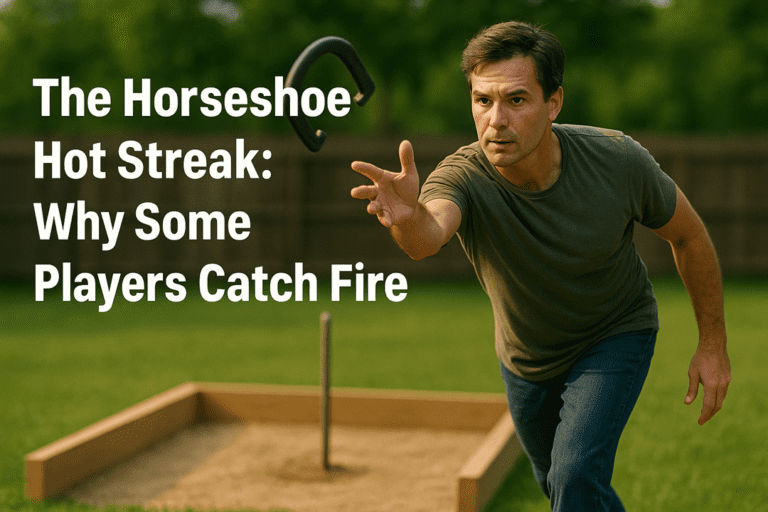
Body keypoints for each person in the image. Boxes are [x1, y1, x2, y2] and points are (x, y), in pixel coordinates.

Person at [349, 20, 731, 512]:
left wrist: (713, 344)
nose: (496, 120)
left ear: (554, 103)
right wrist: (406, 219)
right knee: (562, 485)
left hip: (614, 333)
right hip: (525, 359)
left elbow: (690, 235)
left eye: (516, 100)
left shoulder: (616, 160)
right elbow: (428, 236)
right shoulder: (461, 175)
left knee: (573, 474)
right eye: (482, 101)